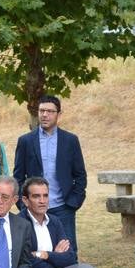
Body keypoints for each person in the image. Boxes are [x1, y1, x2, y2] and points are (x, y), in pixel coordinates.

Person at [12, 94, 87, 251]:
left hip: (62, 207)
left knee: (68, 254)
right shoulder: (25, 141)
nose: (45, 115)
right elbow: (18, 177)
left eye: (50, 111)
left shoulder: (70, 140)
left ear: (59, 114)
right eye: (41, 111)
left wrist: (73, 202)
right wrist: (23, 204)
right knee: (33, 252)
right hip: (33, 209)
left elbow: (80, 175)